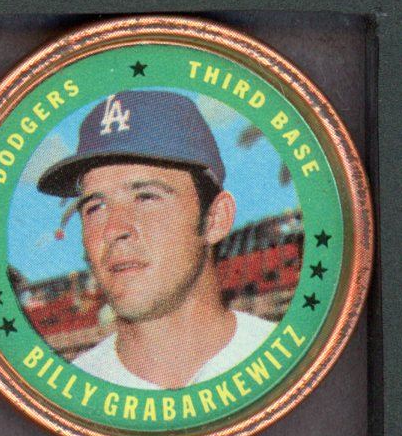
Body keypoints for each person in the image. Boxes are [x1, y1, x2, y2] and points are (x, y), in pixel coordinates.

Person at [38, 90, 275, 389]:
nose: (113, 229)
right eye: (95, 207)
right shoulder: (64, 392)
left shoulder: (289, 362)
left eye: (146, 197)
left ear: (216, 219)